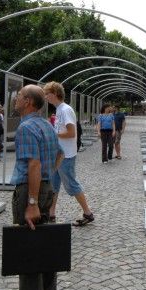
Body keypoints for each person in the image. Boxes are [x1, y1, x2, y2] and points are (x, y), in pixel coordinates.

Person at [6, 85, 63, 290]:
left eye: (18, 97)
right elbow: (60, 154)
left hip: (30, 192)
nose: (15, 100)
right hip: (45, 189)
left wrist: (31, 202)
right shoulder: (46, 125)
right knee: (46, 248)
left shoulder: (26, 127)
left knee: (28, 249)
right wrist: (48, 181)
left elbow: (33, 165)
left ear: (28, 101)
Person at [43, 82, 95, 226]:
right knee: (53, 185)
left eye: (47, 93)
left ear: (54, 94)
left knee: (71, 184)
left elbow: (71, 133)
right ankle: (51, 214)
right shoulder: (60, 109)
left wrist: (54, 134)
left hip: (66, 155)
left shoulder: (65, 110)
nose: (45, 97)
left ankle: (88, 213)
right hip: (59, 154)